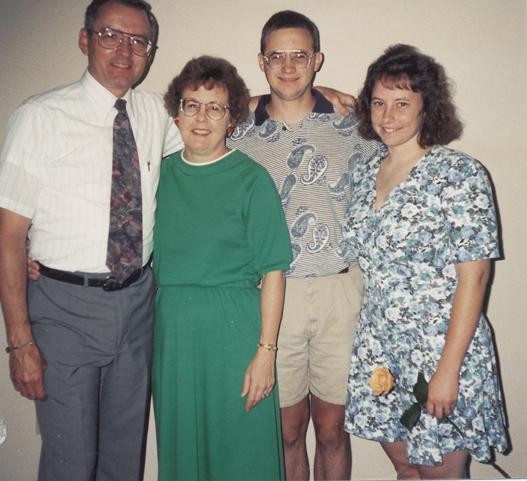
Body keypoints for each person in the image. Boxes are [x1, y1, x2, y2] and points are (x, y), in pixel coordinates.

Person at [0, 1, 182, 480]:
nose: (125, 50)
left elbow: (215, 115)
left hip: (137, 306)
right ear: (85, 40)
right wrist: (19, 342)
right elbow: (8, 235)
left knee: (124, 460)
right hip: (64, 308)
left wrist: (300, 95)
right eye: (110, 35)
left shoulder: (156, 113)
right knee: (72, 463)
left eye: (139, 41)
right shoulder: (40, 117)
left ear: (150, 52)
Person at [343, 44, 509, 479]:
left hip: (440, 349)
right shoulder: (365, 172)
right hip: (381, 348)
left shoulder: (459, 174)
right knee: (405, 467)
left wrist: (447, 372)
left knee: (438, 473)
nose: (387, 116)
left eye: (402, 103)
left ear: (426, 107)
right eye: (378, 102)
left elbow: (475, 279)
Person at [228, 10, 379, 481]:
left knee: (333, 430)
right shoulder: (236, 131)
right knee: (286, 429)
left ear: (317, 60)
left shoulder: (354, 125)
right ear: (261, 61)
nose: (289, 66)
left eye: (299, 55)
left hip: (340, 291)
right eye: (277, 56)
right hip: (273, 294)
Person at [153, 55, 292, 481]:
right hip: (174, 333)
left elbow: (274, 272)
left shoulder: (252, 179)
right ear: (176, 114)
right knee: (184, 449)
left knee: (241, 452)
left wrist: (265, 353)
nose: (202, 117)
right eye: (192, 105)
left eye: (215, 108)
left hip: (235, 333)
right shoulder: (157, 176)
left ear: (231, 120)